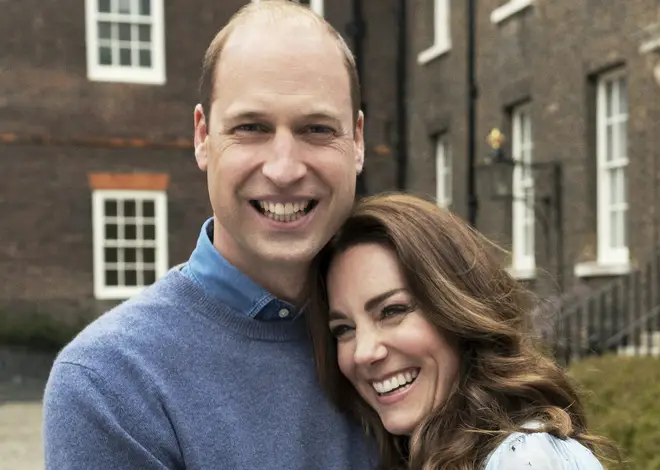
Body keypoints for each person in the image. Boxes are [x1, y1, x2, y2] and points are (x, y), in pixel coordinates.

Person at [43, 2, 377, 469]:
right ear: (203, 137)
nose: (284, 169)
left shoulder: (411, 343)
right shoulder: (111, 382)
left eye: (317, 129)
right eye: (251, 128)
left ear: (357, 142)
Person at [306, 193, 621, 470]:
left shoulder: (524, 457)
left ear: (456, 310)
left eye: (392, 311)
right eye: (344, 329)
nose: (363, 352)